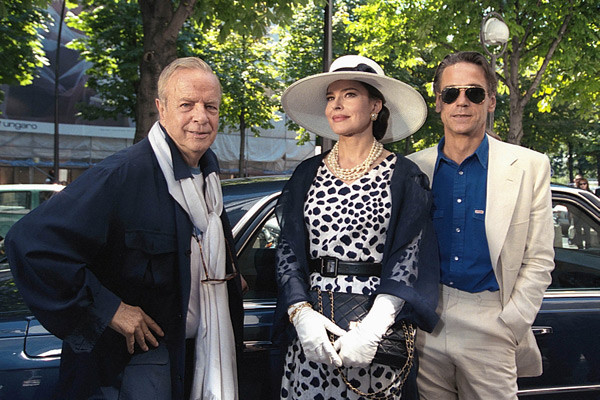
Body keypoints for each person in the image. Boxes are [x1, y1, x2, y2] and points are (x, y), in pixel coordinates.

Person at [5, 57, 244, 400]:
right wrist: (109, 308)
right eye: (187, 105)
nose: (201, 117)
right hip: (128, 369)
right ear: (161, 109)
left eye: (211, 106)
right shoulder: (121, 176)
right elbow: (28, 244)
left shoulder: (209, 182)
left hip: (198, 359)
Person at [273, 55, 440, 399]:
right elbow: (288, 249)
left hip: (372, 330)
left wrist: (374, 328)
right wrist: (300, 313)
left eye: (349, 95)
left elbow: (410, 256)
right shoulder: (306, 174)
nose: (337, 105)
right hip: (313, 328)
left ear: (376, 105)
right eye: (331, 98)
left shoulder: (404, 176)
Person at [407, 51, 555, 399]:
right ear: (439, 103)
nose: (462, 102)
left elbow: (540, 257)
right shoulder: (413, 168)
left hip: (492, 318)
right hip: (427, 320)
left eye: (473, 93)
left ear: (490, 101)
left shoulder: (530, 166)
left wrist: (511, 322)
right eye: (450, 93)